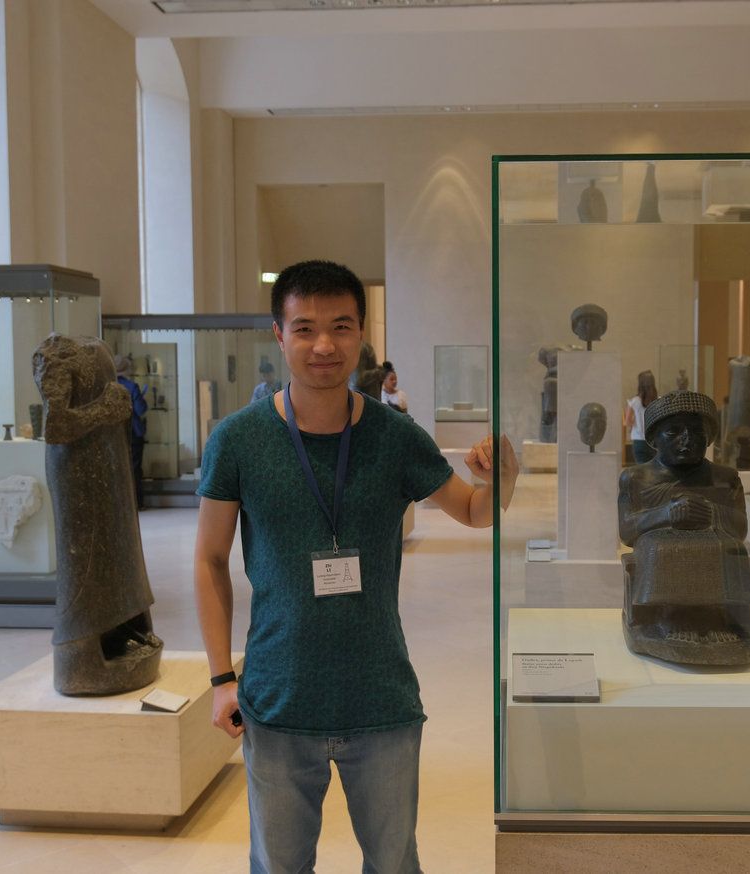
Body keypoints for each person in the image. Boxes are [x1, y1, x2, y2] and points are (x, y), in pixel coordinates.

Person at [194, 259, 518, 874]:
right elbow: (210, 560)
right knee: (279, 866)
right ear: (279, 335)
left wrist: (502, 475)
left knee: (393, 864)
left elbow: (476, 512)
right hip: (279, 700)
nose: (324, 345)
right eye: (305, 328)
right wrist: (219, 680)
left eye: (340, 326)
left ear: (362, 333)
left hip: (381, 699)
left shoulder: (396, 436)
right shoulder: (238, 440)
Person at [617, 390, 750, 666]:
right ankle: (671, 617)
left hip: (714, 540)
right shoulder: (636, 478)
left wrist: (712, 512)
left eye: (696, 432)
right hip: (658, 546)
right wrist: (665, 514)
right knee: (661, 547)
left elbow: (740, 529)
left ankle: (720, 619)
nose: (687, 439)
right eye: (673, 432)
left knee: (731, 548)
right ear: (654, 439)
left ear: (709, 437)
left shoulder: (725, 477)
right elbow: (627, 531)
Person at [114, 355, 148, 511]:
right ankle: (137, 503)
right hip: (133, 432)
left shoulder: (106, 387)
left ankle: (119, 504)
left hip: (114, 433)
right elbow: (141, 409)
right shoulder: (131, 386)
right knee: (134, 468)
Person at [623, 370, 658, 463]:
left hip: (639, 440)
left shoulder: (635, 401)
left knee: (642, 469)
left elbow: (627, 422)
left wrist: (636, 421)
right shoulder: (658, 401)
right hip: (654, 441)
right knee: (655, 469)